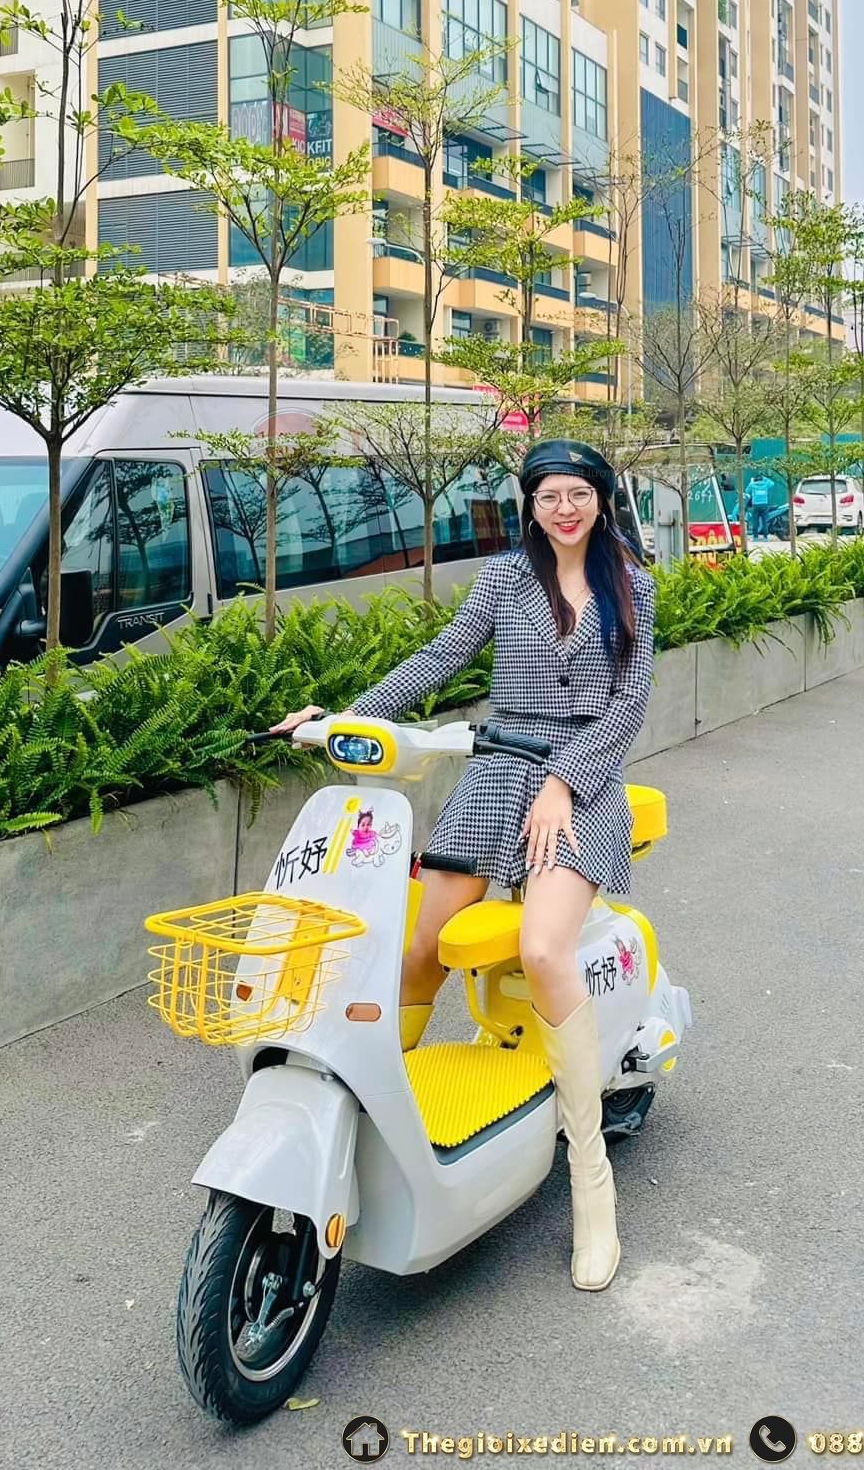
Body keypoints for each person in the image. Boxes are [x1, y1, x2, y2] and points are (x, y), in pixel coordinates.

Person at [271, 440, 656, 1294]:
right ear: (530, 505)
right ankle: (362, 1114)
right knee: (420, 947)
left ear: (600, 500)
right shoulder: (505, 580)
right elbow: (441, 657)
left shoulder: (633, 583)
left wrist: (564, 783)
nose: (565, 509)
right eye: (550, 496)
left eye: (579, 494)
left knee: (545, 950)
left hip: (583, 783)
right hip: (497, 770)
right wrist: (348, 718)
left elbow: (629, 705)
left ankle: (589, 1175)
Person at [746, 472, 773, 540]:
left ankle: (755, 537)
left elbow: (747, 490)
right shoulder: (766, 484)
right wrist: (764, 478)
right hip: (764, 505)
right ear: (762, 479)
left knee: (755, 522)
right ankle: (765, 537)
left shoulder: (752, 484)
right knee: (765, 522)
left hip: (755, 505)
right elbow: (772, 483)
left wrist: (751, 481)